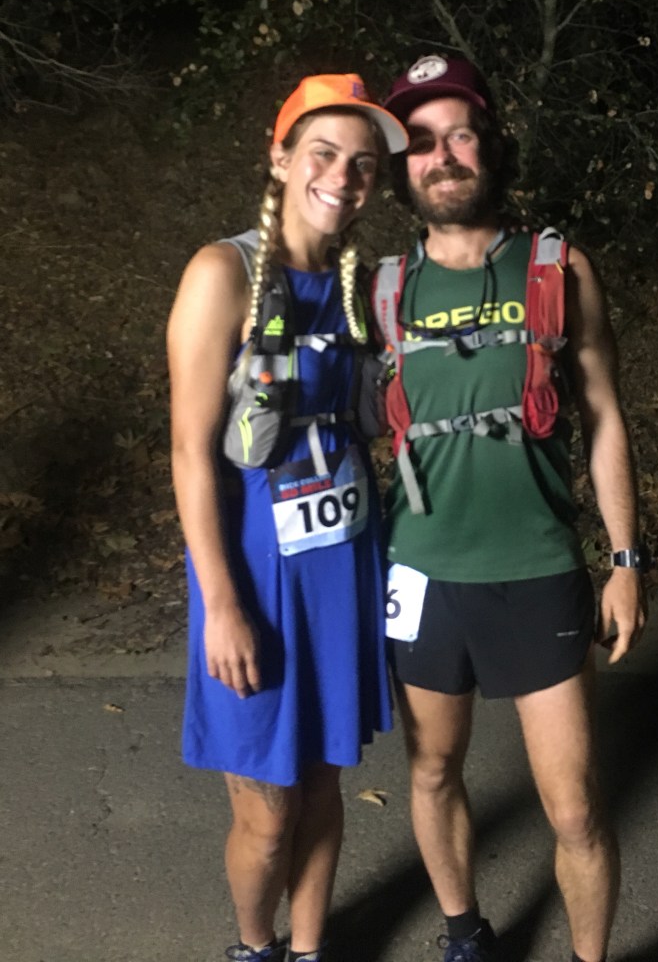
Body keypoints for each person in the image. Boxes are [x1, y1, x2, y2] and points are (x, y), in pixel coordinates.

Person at [375, 56, 648, 962]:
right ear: (403, 167)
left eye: (460, 134)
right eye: (421, 141)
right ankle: (466, 935)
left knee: (573, 808)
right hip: (421, 573)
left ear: (490, 146)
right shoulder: (379, 289)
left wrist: (626, 560)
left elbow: (605, 418)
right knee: (431, 771)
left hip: (535, 570)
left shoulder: (557, 268)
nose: (443, 155)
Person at [167, 73, 408, 962]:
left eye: (363, 164)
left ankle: (311, 950)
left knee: (323, 784)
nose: (343, 177)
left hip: (342, 559)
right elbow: (191, 451)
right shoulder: (222, 272)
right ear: (280, 159)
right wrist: (222, 604)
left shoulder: (361, 287)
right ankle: (255, 946)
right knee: (268, 815)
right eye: (323, 153)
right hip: (254, 570)